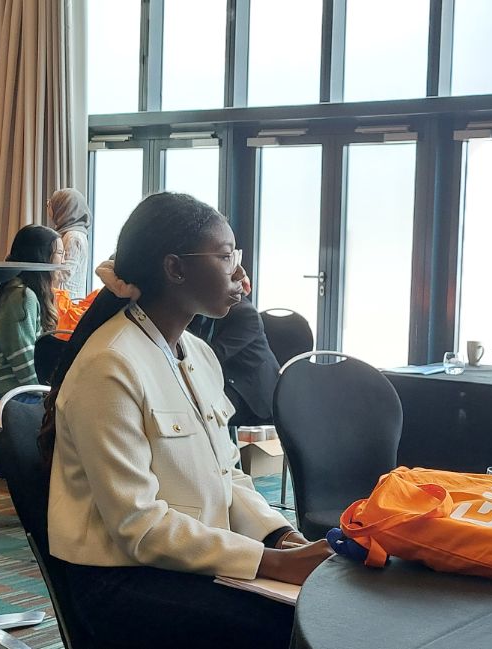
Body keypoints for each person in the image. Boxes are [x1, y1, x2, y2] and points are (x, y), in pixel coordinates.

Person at [41, 192, 332, 649]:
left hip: (193, 560)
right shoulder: (110, 365)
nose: (241, 274)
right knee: (295, 627)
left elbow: (227, 474)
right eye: (225, 256)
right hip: (123, 580)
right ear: (175, 269)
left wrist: (279, 538)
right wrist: (270, 564)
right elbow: (138, 525)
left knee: (326, 608)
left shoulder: (198, 353)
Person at [0, 225, 63, 412]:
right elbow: (24, 360)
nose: (63, 260)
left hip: (11, 392)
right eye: (59, 253)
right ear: (42, 257)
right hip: (8, 396)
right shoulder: (22, 297)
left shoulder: (20, 292)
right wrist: (45, 394)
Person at [188, 275, 280, 429]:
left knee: (202, 411)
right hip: (225, 378)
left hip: (250, 390)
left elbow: (214, 355)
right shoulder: (203, 311)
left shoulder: (245, 314)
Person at [47, 188, 91, 298]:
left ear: (62, 208)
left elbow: (65, 273)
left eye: (51, 204)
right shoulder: (71, 233)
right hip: (64, 298)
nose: (48, 206)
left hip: (67, 301)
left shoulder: (73, 236)